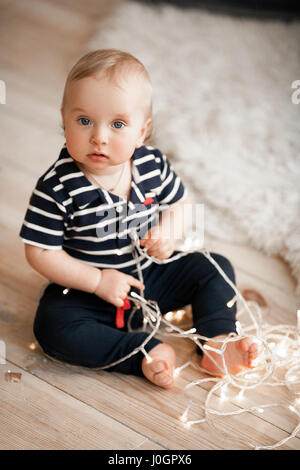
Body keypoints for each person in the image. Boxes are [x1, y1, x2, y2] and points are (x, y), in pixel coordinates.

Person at [19, 49, 258, 389]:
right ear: (63, 118)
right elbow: (40, 252)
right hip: (85, 291)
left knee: (213, 266)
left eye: (118, 124)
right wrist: (98, 281)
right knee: (52, 328)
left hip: (151, 278)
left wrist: (169, 232)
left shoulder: (151, 164)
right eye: (84, 120)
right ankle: (143, 352)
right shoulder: (56, 187)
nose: (99, 136)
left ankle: (217, 342)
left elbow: (180, 202)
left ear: (142, 131)